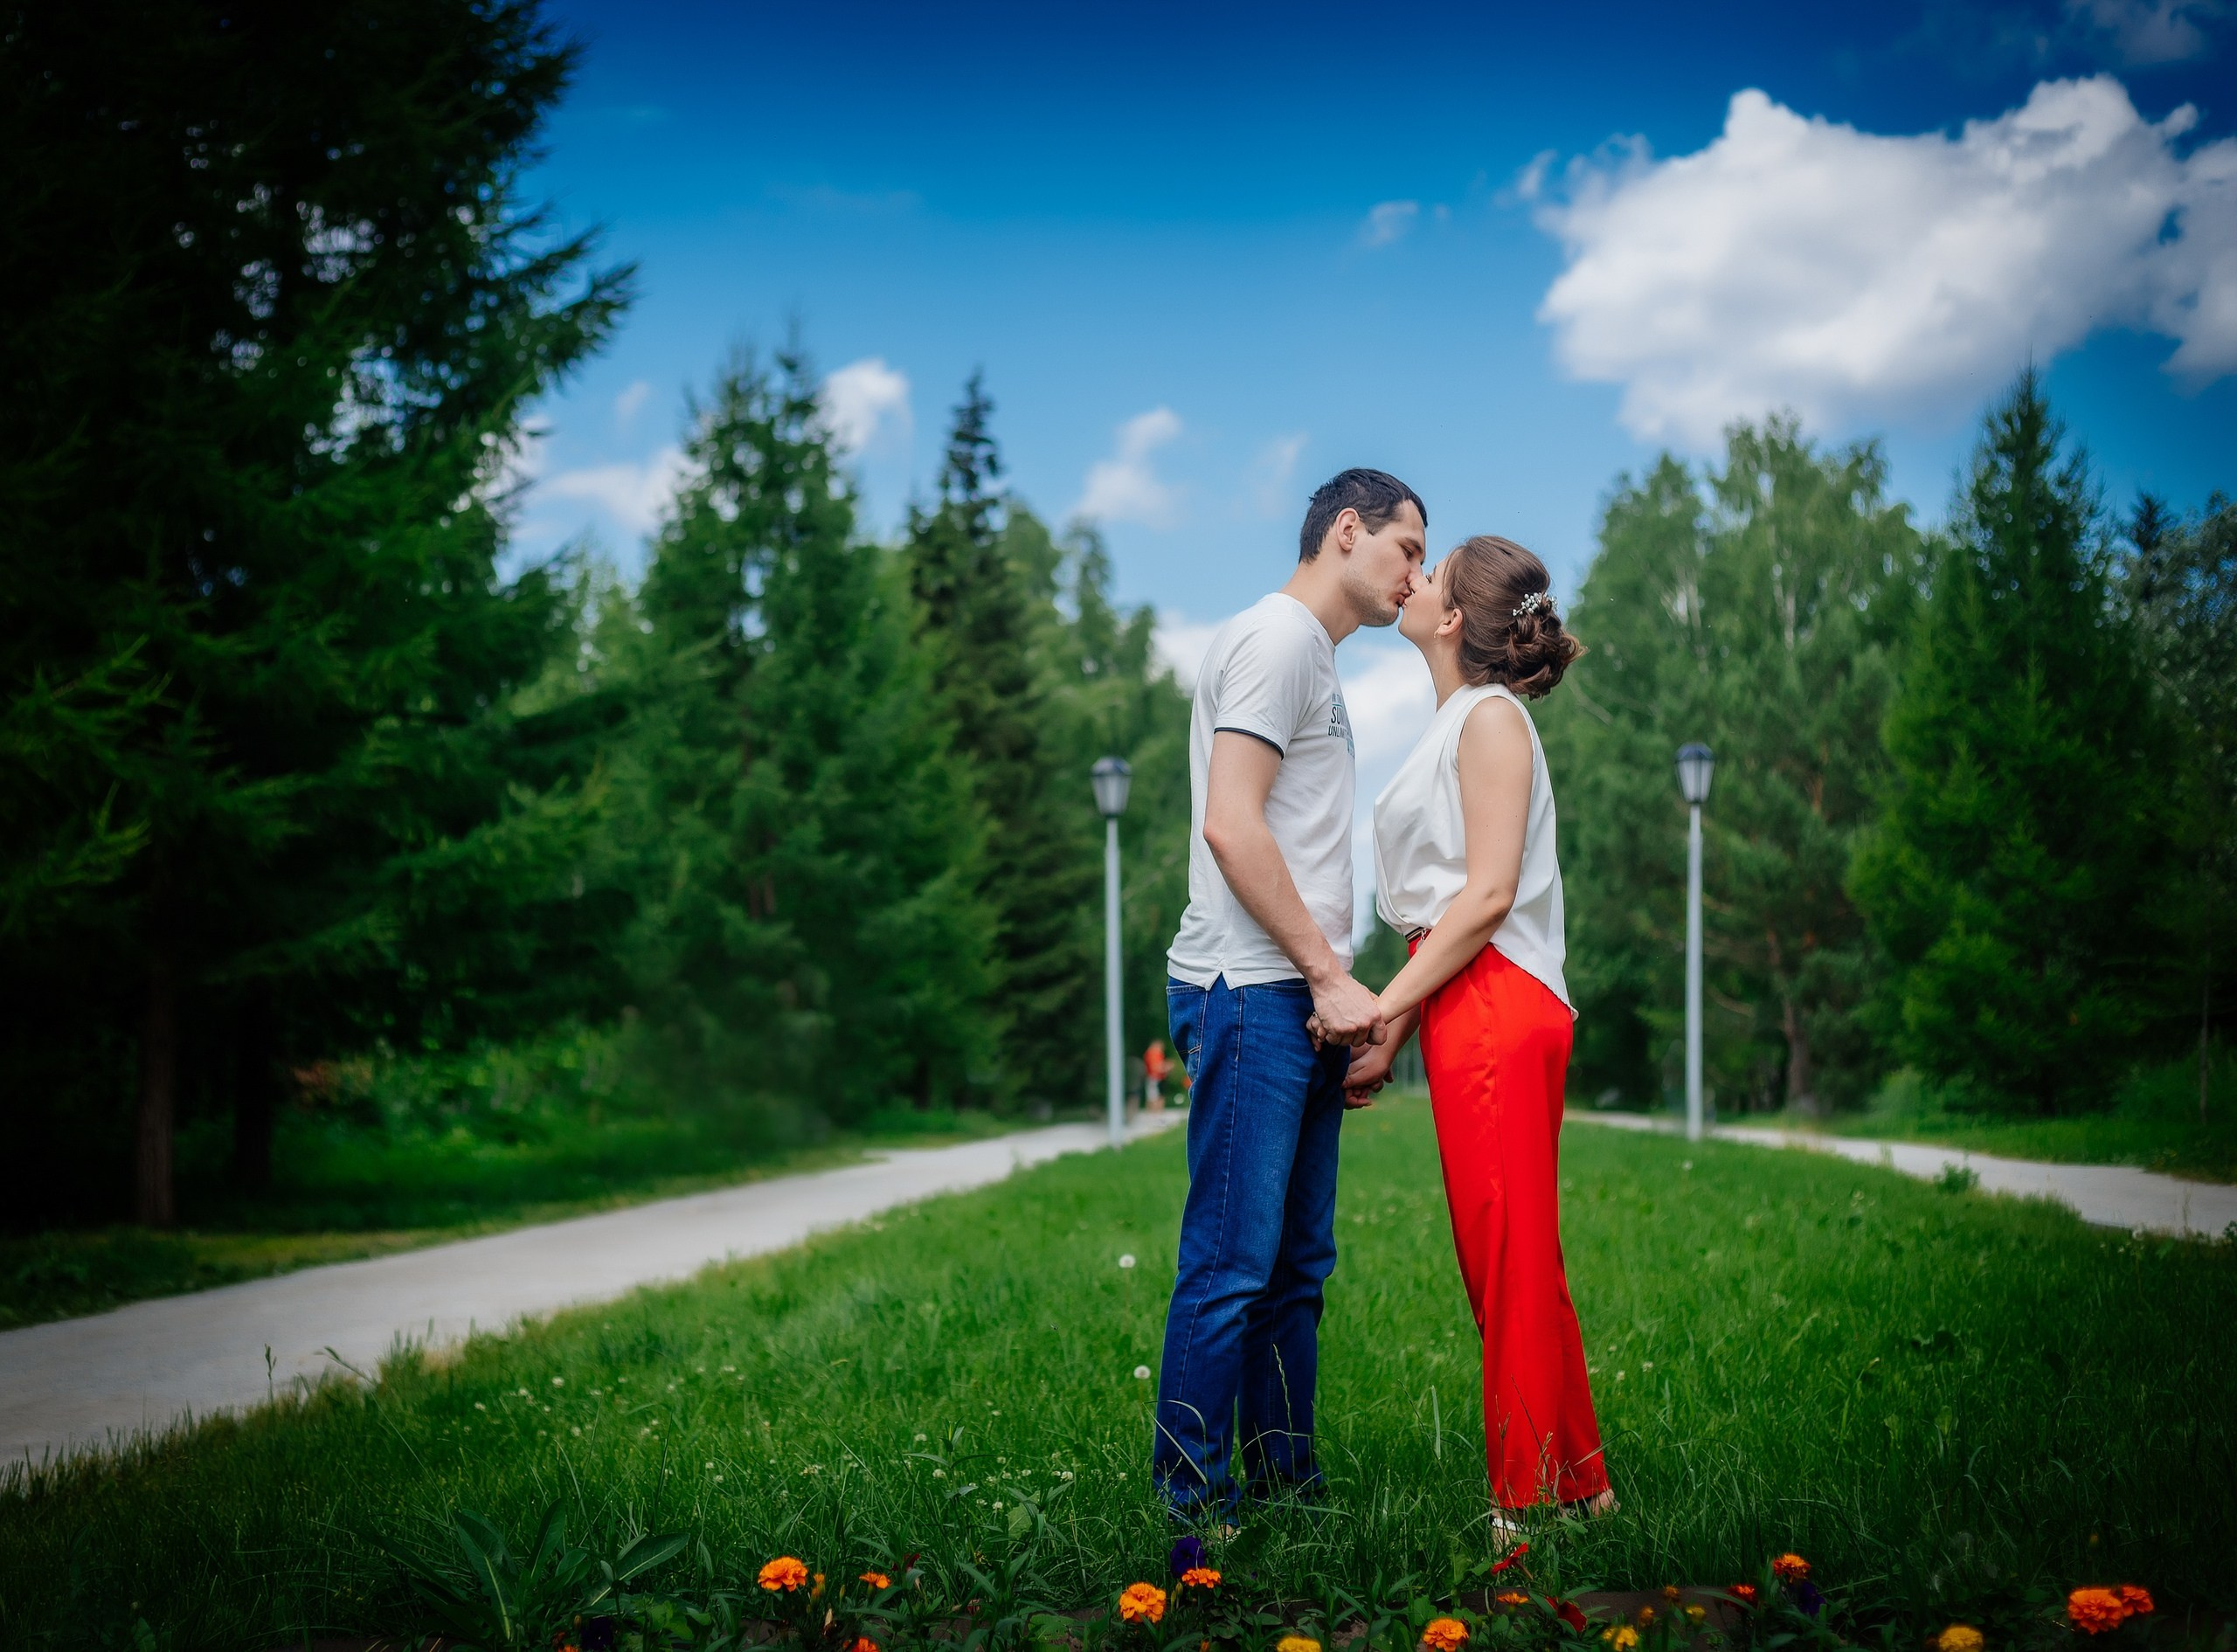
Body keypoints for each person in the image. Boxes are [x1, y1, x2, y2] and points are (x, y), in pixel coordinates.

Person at [1153, 467, 1428, 1519]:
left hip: (1298, 998)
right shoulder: (1277, 640)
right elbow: (1232, 821)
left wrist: (1341, 994)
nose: (1414, 574)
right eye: (1407, 548)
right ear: (1345, 531)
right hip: (1255, 990)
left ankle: (1282, 1489)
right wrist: (1325, 972)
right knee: (1230, 1266)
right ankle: (1192, 1509)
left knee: (1293, 1269)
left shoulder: (1308, 655)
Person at [1340, 534, 1614, 1530]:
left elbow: (1488, 894)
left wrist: (1377, 1002)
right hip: (1465, 994)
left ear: (1453, 618)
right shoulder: (1458, 718)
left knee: (1502, 1255)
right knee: (1514, 1254)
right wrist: (1397, 1027)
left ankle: (1522, 1509)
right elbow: (1444, 909)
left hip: (1498, 997)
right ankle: (1580, 1488)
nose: (1409, 581)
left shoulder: (1490, 720)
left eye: (1429, 572)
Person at [1143, 1040, 1171, 1112]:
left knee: (1155, 1095)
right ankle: (1155, 1113)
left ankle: (1155, 1113)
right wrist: (1166, 1067)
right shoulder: (1153, 1053)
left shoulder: (1154, 1053)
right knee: (1154, 1096)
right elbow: (1155, 1067)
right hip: (1154, 1077)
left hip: (1156, 1077)